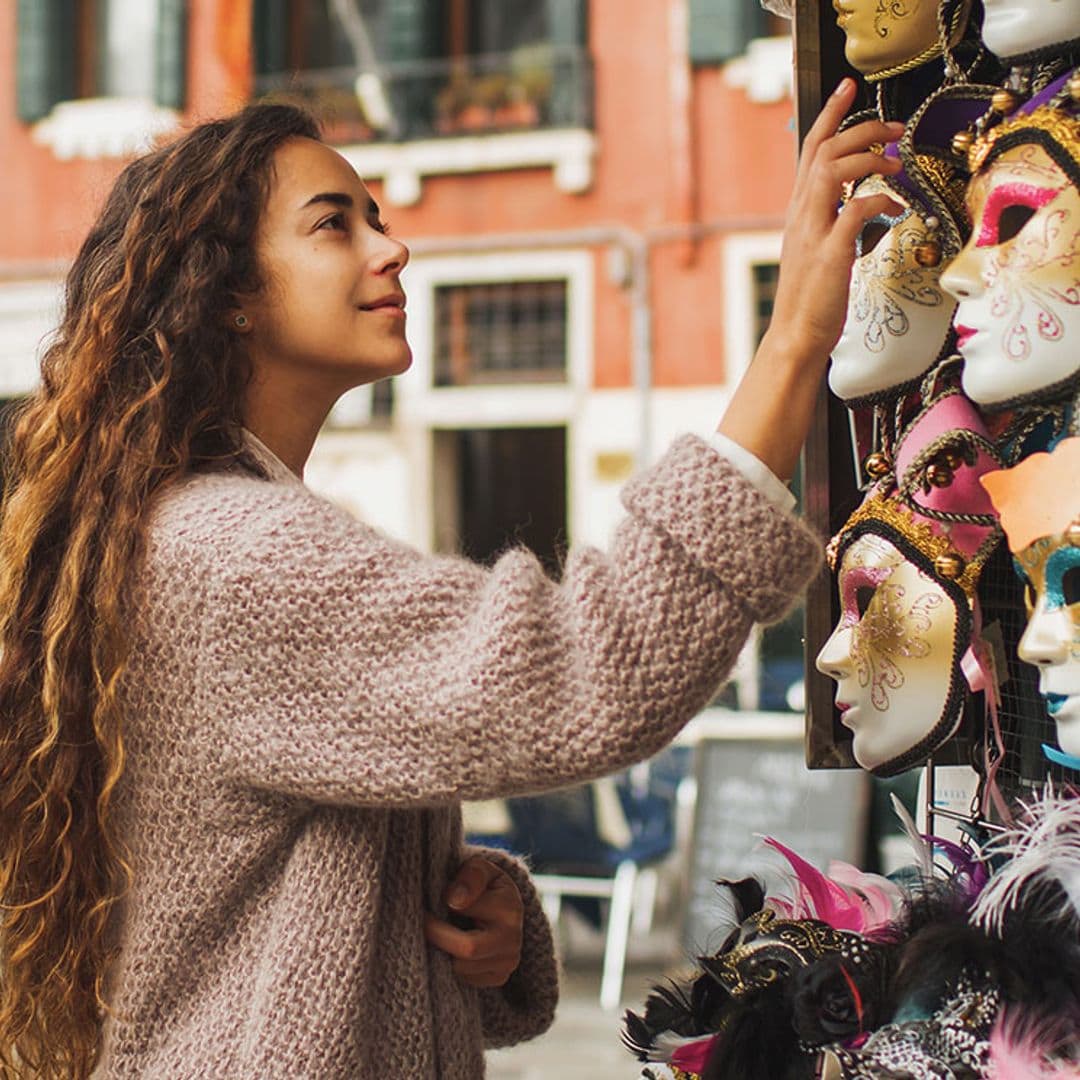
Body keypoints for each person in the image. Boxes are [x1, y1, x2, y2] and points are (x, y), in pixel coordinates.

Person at [0, 79, 903, 1079]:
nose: (392, 249)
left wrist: (481, 912)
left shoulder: (194, 533)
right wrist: (793, 341)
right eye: (332, 226)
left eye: (378, 219)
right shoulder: (238, 559)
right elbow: (585, 674)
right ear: (229, 296)